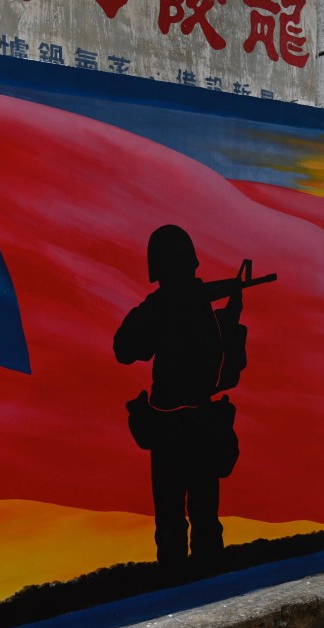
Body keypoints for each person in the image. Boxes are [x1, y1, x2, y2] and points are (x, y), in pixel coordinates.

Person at [113, 224, 233, 572]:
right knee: (196, 521)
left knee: (177, 524)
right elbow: (125, 347)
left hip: (173, 426)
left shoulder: (169, 306)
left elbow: (126, 347)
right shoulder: (182, 307)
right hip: (192, 424)